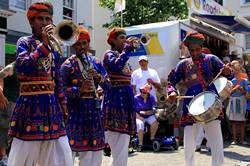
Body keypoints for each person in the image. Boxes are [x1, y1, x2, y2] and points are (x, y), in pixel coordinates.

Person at [7, 2, 73, 166]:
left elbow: (57, 77)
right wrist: (44, 44)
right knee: (23, 155)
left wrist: (63, 103)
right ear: (31, 22)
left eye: (48, 19)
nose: (45, 23)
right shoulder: (24, 42)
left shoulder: (55, 48)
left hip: (52, 107)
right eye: (40, 19)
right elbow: (23, 67)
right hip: (29, 106)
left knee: (61, 154)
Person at [168, 31, 233, 166]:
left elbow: (228, 74)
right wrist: (172, 92)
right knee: (189, 141)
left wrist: (228, 72)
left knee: (215, 140)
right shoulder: (183, 64)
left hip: (211, 103)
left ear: (201, 46)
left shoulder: (212, 59)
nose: (195, 52)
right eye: (192, 50)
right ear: (188, 48)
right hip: (191, 105)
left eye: (197, 49)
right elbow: (171, 81)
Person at [60, 27, 107, 166]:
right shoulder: (67, 65)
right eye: (78, 43)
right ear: (73, 45)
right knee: (69, 152)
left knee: (94, 153)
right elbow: (61, 91)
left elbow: (108, 85)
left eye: (84, 43)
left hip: (94, 111)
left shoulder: (97, 62)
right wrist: (78, 90)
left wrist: (99, 78)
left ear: (88, 43)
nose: (82, 47)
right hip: (75, 112)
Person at [103, 28, 136, 166]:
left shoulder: (123, 57)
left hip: (126, 104)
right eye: (122, 38)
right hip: (116, 104)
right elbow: (115, 67)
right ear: (113, 40)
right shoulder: (109, 54)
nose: (125, 40)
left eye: (125, 37)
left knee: (122, 150)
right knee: (119, 149)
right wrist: (127, 50)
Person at [0, 62, 19, 166]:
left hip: (17, 103)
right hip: (8, 103)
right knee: (4, 129)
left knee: (11, 130)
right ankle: (3, 158)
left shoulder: (24, 67)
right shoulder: (11, 67)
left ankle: (8, 156)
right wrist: (1, 95)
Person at [227, 60, 248, 145]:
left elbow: (246, 93)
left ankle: (242, 139)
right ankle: (235, 140)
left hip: (242, 101)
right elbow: (229, 93)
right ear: (233, 71)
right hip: (234, 102)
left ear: (241, 70)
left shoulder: (245, 81)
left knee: (242, 122)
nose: (237, 71)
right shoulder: (232, 81)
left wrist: (241, 89)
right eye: (235, 70)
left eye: (238, 69)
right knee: (234, 122)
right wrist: (235, 88)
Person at [135, 83, 158, 152]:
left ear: (148, 93)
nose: (142, 93)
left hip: (148, 115)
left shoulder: (152, 98)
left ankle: (152, 138)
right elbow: (132, 110)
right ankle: (140, 144)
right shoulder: (136, 98)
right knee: (140, 124)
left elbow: (154, 109)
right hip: (138, 116)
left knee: (155, 122)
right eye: (141, 91)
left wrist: (148, 112)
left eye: (144, 92)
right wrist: (139, 117)